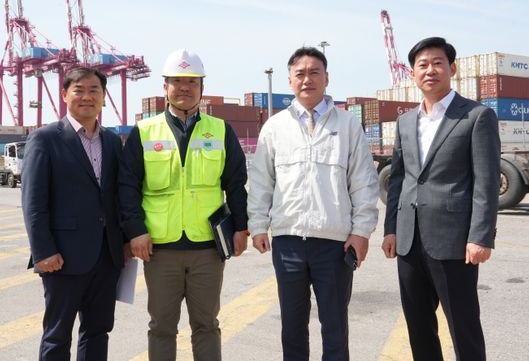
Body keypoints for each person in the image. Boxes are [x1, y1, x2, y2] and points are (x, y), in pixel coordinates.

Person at [247, 46, 379, 361]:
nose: (307, 79)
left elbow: (363, 182)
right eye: (300, 74)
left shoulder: (347, 125)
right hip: (288, 242)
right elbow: (262, 181)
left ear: (326, 78)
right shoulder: (275, 127)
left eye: (314, 72)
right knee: (292, 327)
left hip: (334, 244)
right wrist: (257, 225)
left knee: (335, 327)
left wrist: (361, 232)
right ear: (290, 81)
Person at [119, 48, 248, 361]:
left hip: (207, 249)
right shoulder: (144, 132)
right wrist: (135, 231)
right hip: (160, 248)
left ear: (202, 87)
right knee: (162, 326)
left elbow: (235, 184)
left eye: (192, 81)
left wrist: (241, 227)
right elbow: (127, 187)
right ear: (165, 87)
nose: (185, 88)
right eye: (177, 81)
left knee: (207, 325)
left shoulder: (221, 131)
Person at [381, 37, 500, 361]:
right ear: (412, 74)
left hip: (454, 242)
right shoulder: (406, 121)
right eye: (422, 65)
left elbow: (486, 182)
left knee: (464, 328)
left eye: (437, 63)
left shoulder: (476, 116)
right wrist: (391, 229)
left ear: (452, 69)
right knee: (418, 328)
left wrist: (480, 236)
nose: (430, 70)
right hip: (409, 241)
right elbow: (399, 179)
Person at [21, 67, 125, 361]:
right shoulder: (45, 139)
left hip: (106, 256)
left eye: (94, 90)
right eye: (79, 90)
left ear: (103, 97)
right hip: (61, 258)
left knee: (98, 331)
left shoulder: (112, 142)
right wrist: (43, 251)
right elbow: (33, 201)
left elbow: (117, 196)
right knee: (57, 334)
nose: (87, 97)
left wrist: (125, 241)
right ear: (65, 94)